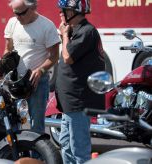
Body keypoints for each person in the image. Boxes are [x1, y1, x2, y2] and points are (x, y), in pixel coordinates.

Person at [0, 0, 60, 133]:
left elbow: (54, 56)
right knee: (12, 123)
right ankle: (15, 153)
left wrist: (41, 70)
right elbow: (7, 50)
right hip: (14, 81)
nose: (18, 17)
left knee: (36, 126)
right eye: (15, 13)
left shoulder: (47, 26)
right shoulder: (12, 23)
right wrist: (1, 68)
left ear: (33, 8)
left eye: (21, 13)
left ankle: (35, 154)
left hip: (36, 82)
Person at [55, 0, 105, 163]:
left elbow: (68, 57)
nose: (60, 13)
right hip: (69, 101)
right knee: (66, 145)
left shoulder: (87, 31)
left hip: (79, 101)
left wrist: (64, 35)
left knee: (79, 149)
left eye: (64, 10)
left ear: (74, 12)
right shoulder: (74, 31)